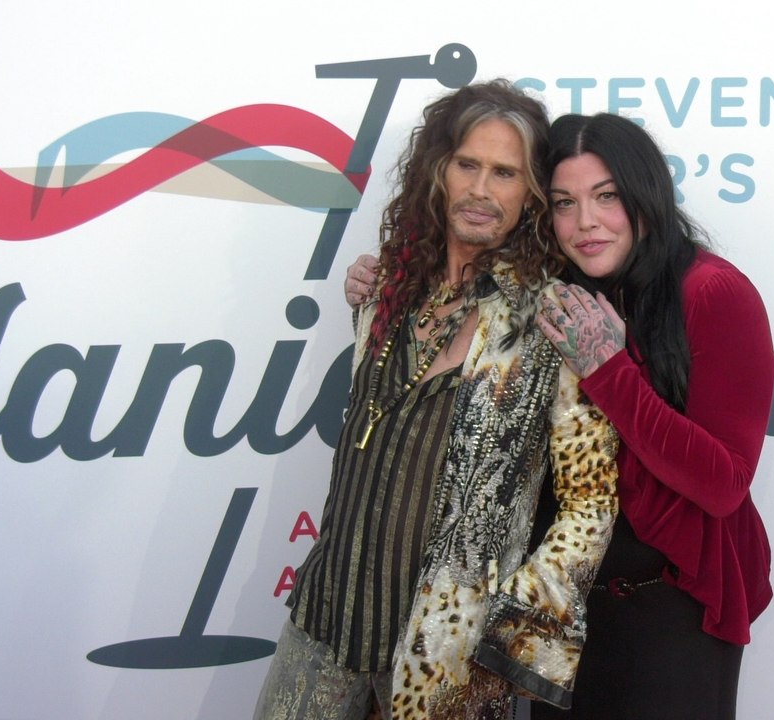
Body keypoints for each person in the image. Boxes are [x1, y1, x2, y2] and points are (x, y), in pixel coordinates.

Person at [256, 81, 618, 720]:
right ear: (437, 171)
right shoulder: (387, 289)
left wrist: (511, 642)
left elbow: (591, 498)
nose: (481, 190)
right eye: (467, 164)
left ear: (531, 193)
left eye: (504, 173)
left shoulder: (553, 320)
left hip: (450, 653)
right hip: (324, 617)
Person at [530, 113, 774, 719]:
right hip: (563, 610)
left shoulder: (713, 293)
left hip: (673, 615)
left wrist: (610, 372)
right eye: (565, 203)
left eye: (606, 197)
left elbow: (722, 485)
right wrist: (389, 285)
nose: (585, 222)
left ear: (645, 195)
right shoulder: (561, 292)